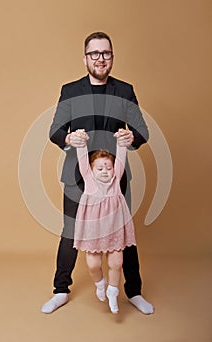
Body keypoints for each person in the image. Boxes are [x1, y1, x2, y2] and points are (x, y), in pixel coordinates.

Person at [41, 31, 154, 315]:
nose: (100, 59)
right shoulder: (70, 90)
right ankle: (60, 290)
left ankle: (134, 291)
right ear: (85, 58)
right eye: (95, 53)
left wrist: (132, 138)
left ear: (112, 57)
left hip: (114, 178)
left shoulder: (125, 90)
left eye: (106, 53)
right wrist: (68, 140)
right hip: (77, 178)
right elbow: (55, 131)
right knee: (70, 232)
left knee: (123, 234)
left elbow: (142, 131)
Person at [73, 128, 136, 314]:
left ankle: (113, 292)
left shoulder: (116, 180)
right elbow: (83, 160)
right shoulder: (89, 181)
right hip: (94, 229)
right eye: (99, 168)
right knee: (93, 264)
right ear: (91, 170)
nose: (105, 171)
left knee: (116, 263)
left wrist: (121, 142)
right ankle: (100, 283)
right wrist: (82, 142)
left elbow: (121, 159)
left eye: (108, 167)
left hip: (114, 227)